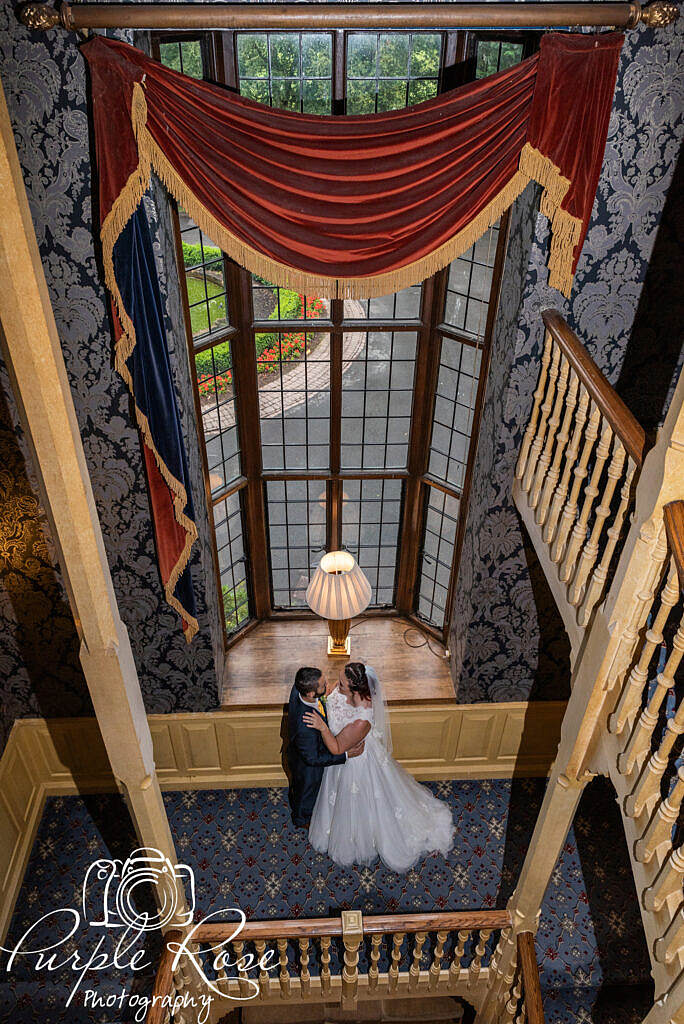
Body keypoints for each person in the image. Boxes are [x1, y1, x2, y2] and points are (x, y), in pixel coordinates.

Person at [303, 662, 455, 872]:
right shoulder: (348, 688)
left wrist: (321, 726)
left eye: (341, 684)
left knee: (358, 802)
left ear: (356, 690)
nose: (335, 687)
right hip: (342, 759)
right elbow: (332, 695)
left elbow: (338, 748)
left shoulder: (361, 721)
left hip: (353, 765)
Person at [287, 666, 365, 828]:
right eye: (324, 685)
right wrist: (345, 755)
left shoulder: (299, 688)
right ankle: (301, 820)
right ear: (310, 694)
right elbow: (313, 758)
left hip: (304, 748)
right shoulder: (305, 727)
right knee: (306, 793)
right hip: (308, 766)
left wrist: (323, 696)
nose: (329, 686)